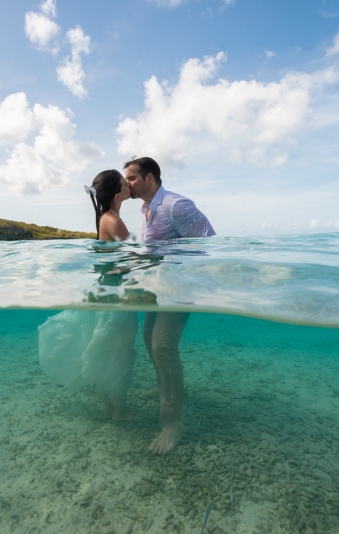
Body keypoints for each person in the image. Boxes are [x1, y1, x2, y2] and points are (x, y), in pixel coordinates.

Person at [124, 156, 215, 453]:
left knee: (163, 346)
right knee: (149, 341)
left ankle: (172, 422)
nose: (128, 184)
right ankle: (167, 387)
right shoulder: (146, 208)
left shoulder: (177, 205)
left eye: (132, 178)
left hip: (180, 288)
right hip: (158, 287)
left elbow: (207, 245)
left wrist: (187, 282)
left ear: (150, 178)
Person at [38, 170, 139, 421]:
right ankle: (120, 411)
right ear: (118, 194)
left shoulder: (104, 217)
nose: (129, 185)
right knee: (120, 352)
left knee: (107, 349)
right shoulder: (113, 220)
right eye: (124, 183)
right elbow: (134, 259)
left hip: (108, 290)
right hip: (117, 294)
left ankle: (111, 408)